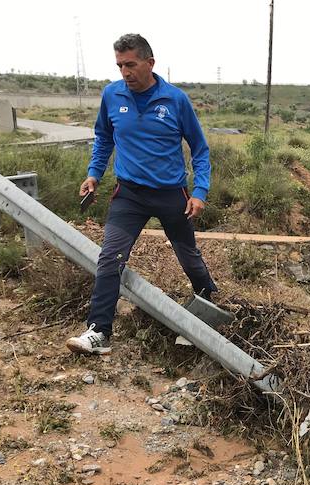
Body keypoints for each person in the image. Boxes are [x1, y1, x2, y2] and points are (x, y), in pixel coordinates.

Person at [67, 33, 217, 356]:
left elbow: (200, 150)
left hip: (170, 195)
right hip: (129, 195)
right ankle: (99, 332)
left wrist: (199, 192)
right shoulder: (111, 95)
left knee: (189, 258)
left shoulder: (175, 100)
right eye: (120, 65)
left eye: (131, 65)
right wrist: (94, 175)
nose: (125, 72)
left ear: (150, 63)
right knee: (110, 257)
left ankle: (209, 309)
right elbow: (104, 139)